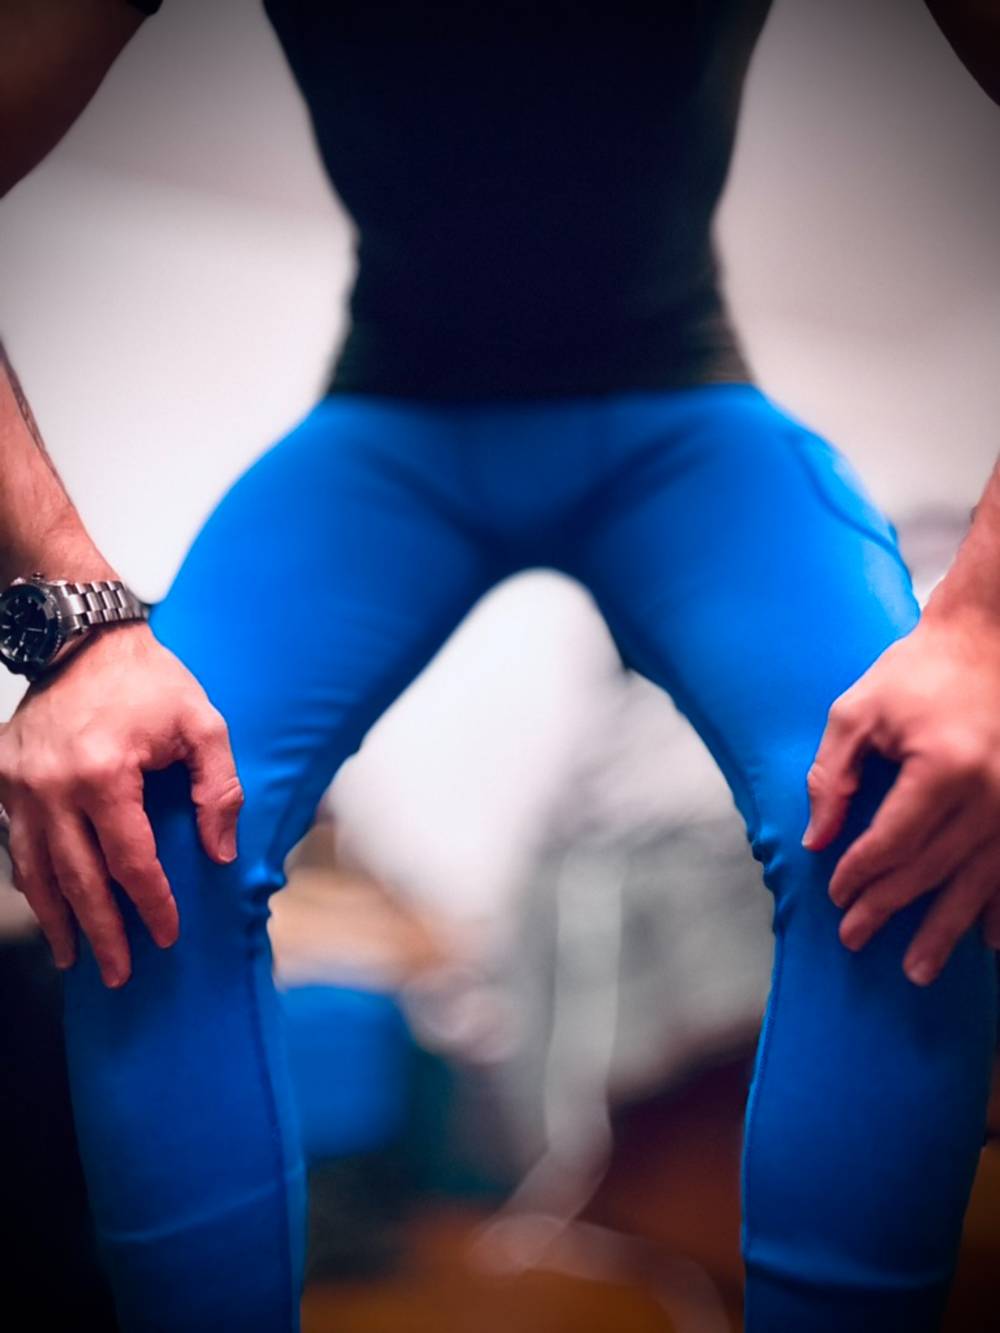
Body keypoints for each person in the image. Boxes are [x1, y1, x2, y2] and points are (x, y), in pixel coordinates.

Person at [0, 2, 998, 1330]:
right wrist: (65, 621)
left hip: (682, 425)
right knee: (147, 817)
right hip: (392, 430)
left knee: (895, 801)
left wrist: (985, 626)